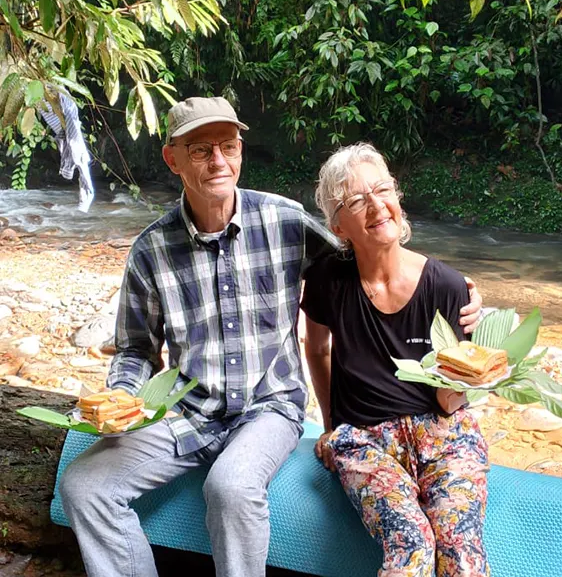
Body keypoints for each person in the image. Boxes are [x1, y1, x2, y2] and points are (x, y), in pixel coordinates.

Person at [59, 98, 483, 577]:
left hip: (268, 408)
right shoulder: (151, 250)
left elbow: (368, 244)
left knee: (231, 487)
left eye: (228, 145)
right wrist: (122, 394)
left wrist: (449, 285)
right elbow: (136, 348)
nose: (218, 160)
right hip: (184, 410)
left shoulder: (285, 221)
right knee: (84, 486)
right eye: (200, 149)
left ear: (241, 151)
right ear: (172, 158)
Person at [301, 143, 489, 577]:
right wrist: (333, 427)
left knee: (461, 554)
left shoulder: (447, 287)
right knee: (411, 543)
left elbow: (448, 403)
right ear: (337, 225)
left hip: (444, 436)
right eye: (356, 200)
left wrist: (474, 364)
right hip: (364, 441)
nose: (376, 205)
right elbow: (316, 348)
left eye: (382, 189)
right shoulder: (328, 279)